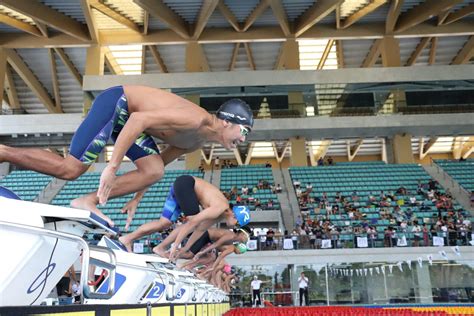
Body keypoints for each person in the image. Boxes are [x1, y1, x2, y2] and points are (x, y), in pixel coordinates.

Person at [0, 86, 253, 227]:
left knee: (155, 169)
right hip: (117, 103)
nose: (243, 140)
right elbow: (139, 118)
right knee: (71, 169)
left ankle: (87, 201)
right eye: (243, 131)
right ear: (226, 121)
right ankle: (4, 153)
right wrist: (112, 167)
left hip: (131, 122)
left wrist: (136, 197)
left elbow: (156, 166)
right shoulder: (195, 119)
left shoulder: (195, 141)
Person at [119, 175, 250, 253]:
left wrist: (186, 248)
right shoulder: (220, 207)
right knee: (193, 221)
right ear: (234, 216)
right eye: (237, 224)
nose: (234, 227)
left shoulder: (221, 214)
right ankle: (161, 247)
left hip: (181, 186)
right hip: (186, 185)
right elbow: (193, 223)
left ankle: (127, 239)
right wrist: (176, 245)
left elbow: (200, 230)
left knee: (164, 223)